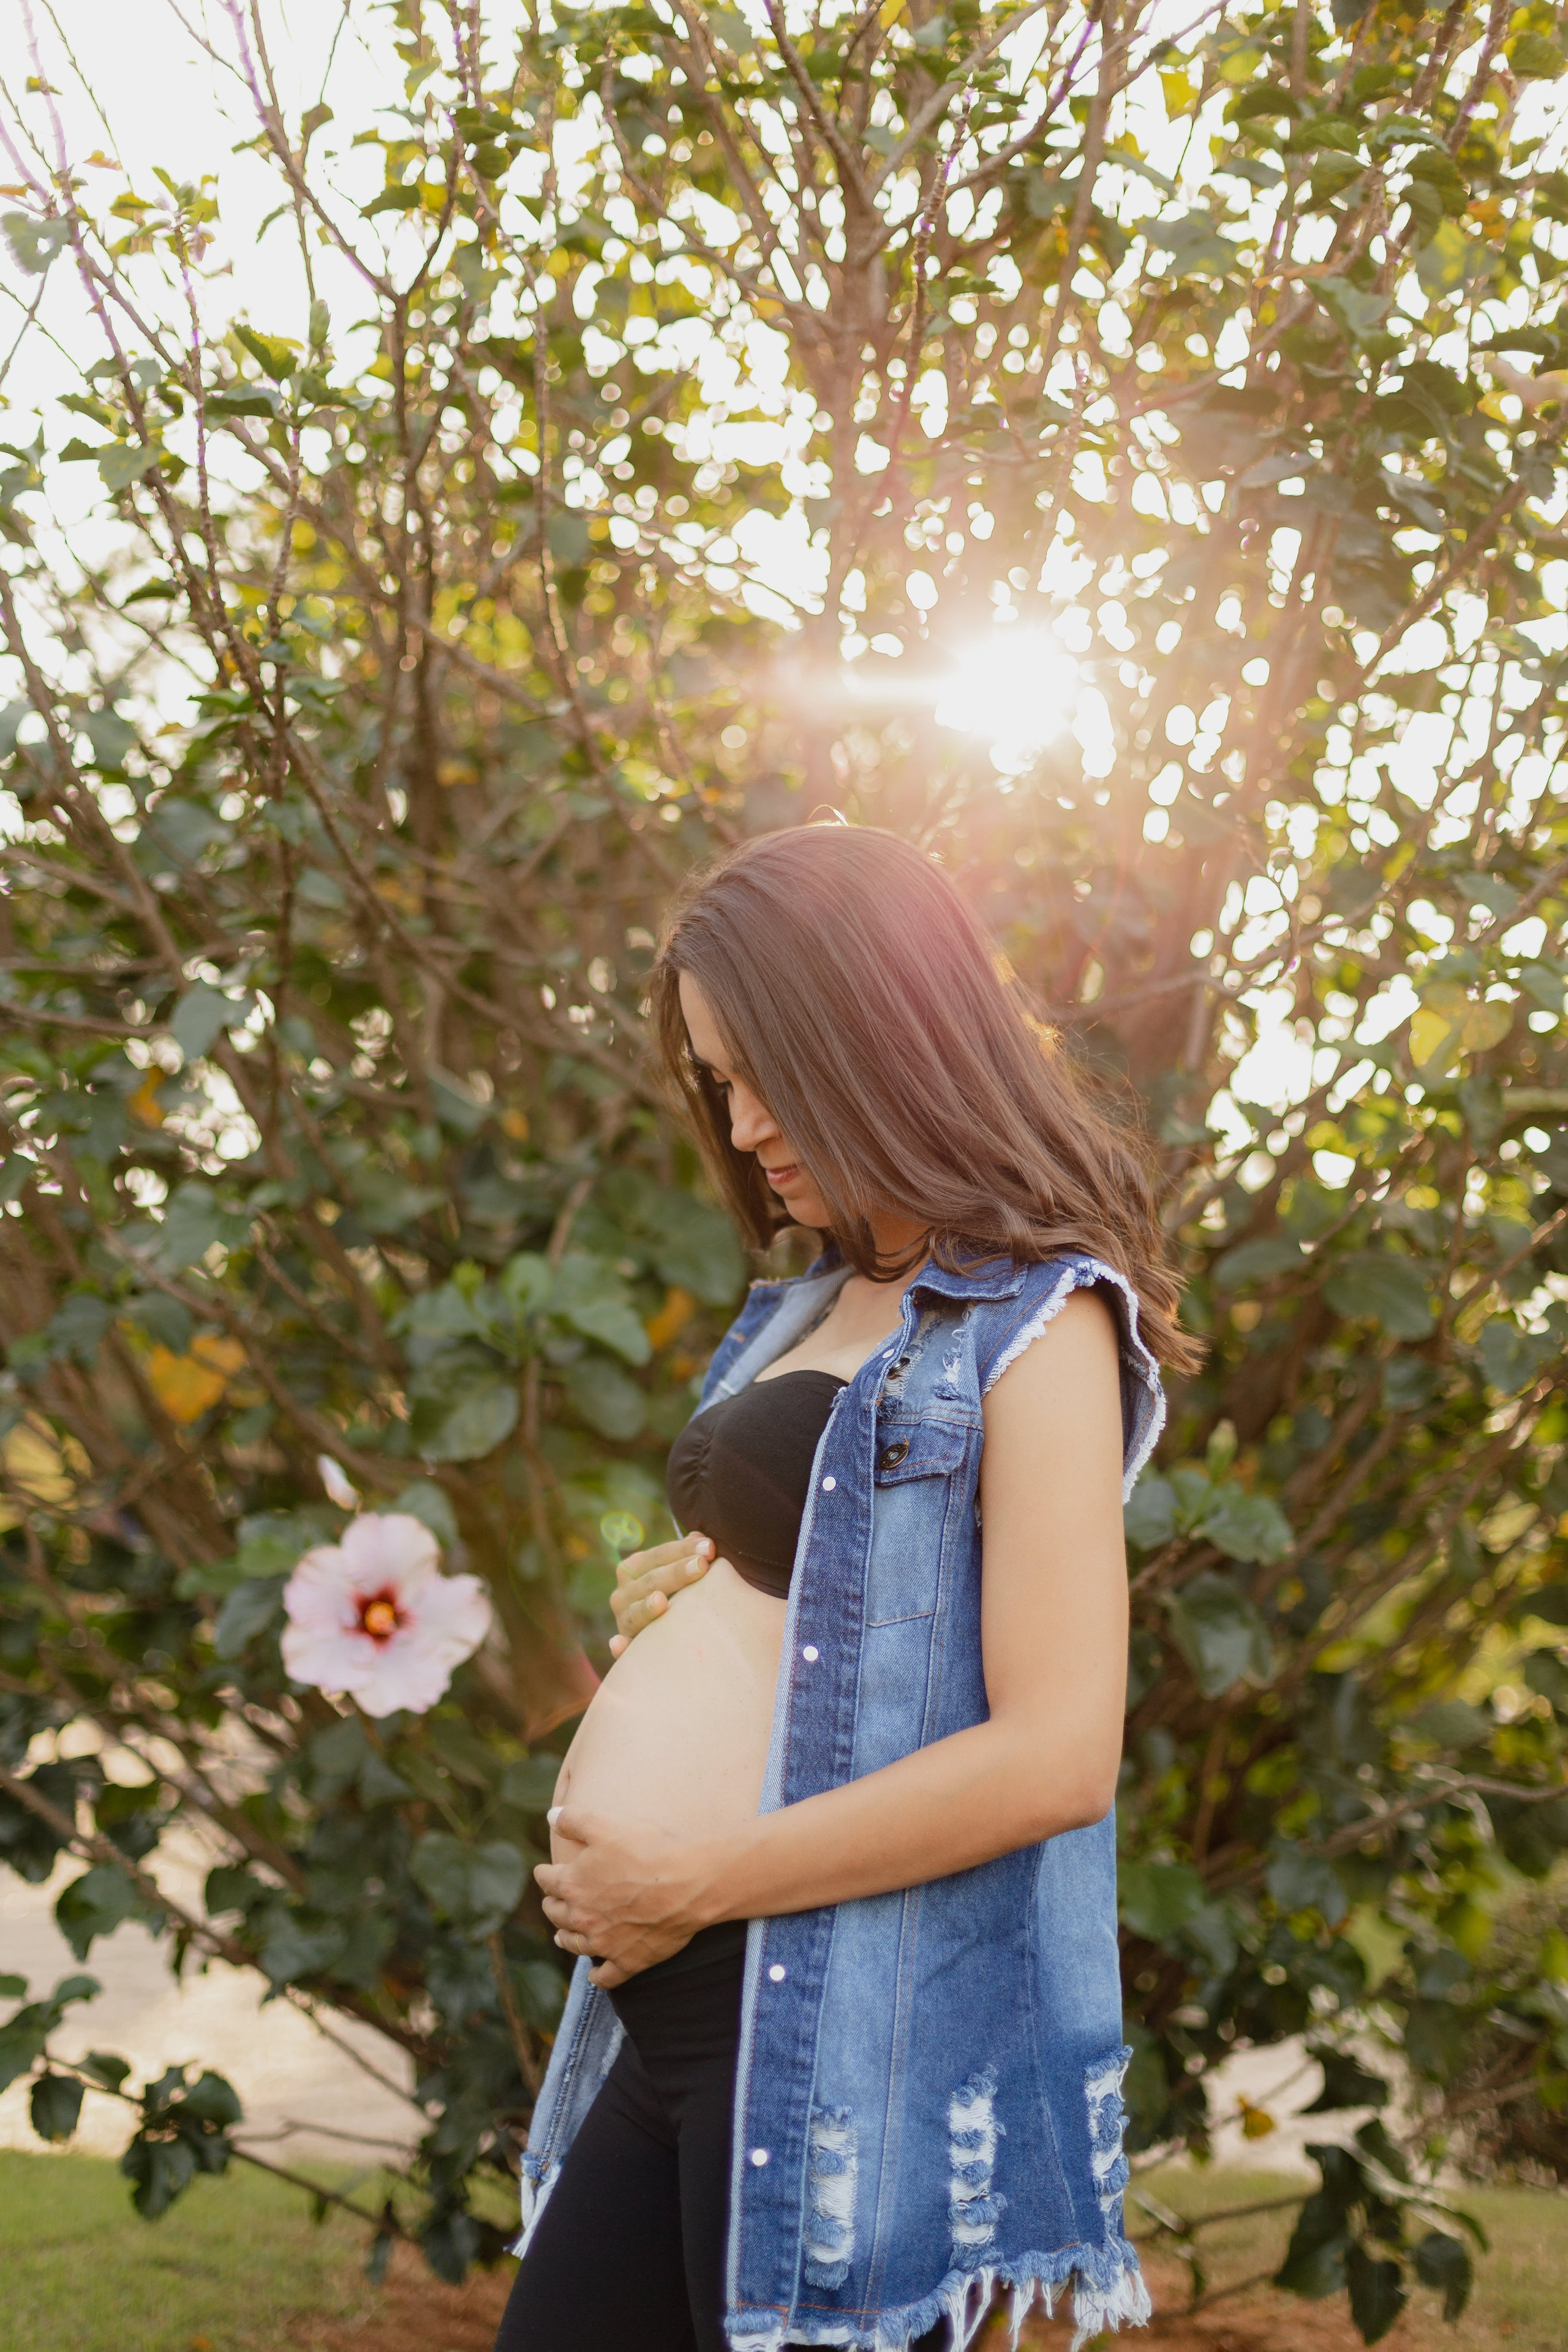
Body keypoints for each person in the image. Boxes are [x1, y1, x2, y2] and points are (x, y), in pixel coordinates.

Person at [491, 824, 1198, 2352]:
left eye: (763, 1075)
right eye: (715, 1082)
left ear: (873, 1039)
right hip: (670, 2026)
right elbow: (837, 1617)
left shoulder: (1039, 1319)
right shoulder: (814, 1299)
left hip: (815, 2036)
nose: (741, 1127)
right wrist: (685, 1604)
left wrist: (693, 1880)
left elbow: (1057, 1752)